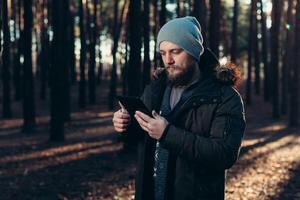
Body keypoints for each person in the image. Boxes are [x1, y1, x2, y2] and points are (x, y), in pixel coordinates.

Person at [112, 16, 245, 200]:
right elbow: (141, 138)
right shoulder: (155, 89)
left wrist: (167, 134)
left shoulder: (224, 97)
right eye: (163, 52)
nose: (168, 60)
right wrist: (125, 126)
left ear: (194, 52)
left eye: (175, 51)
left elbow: (224, 154)